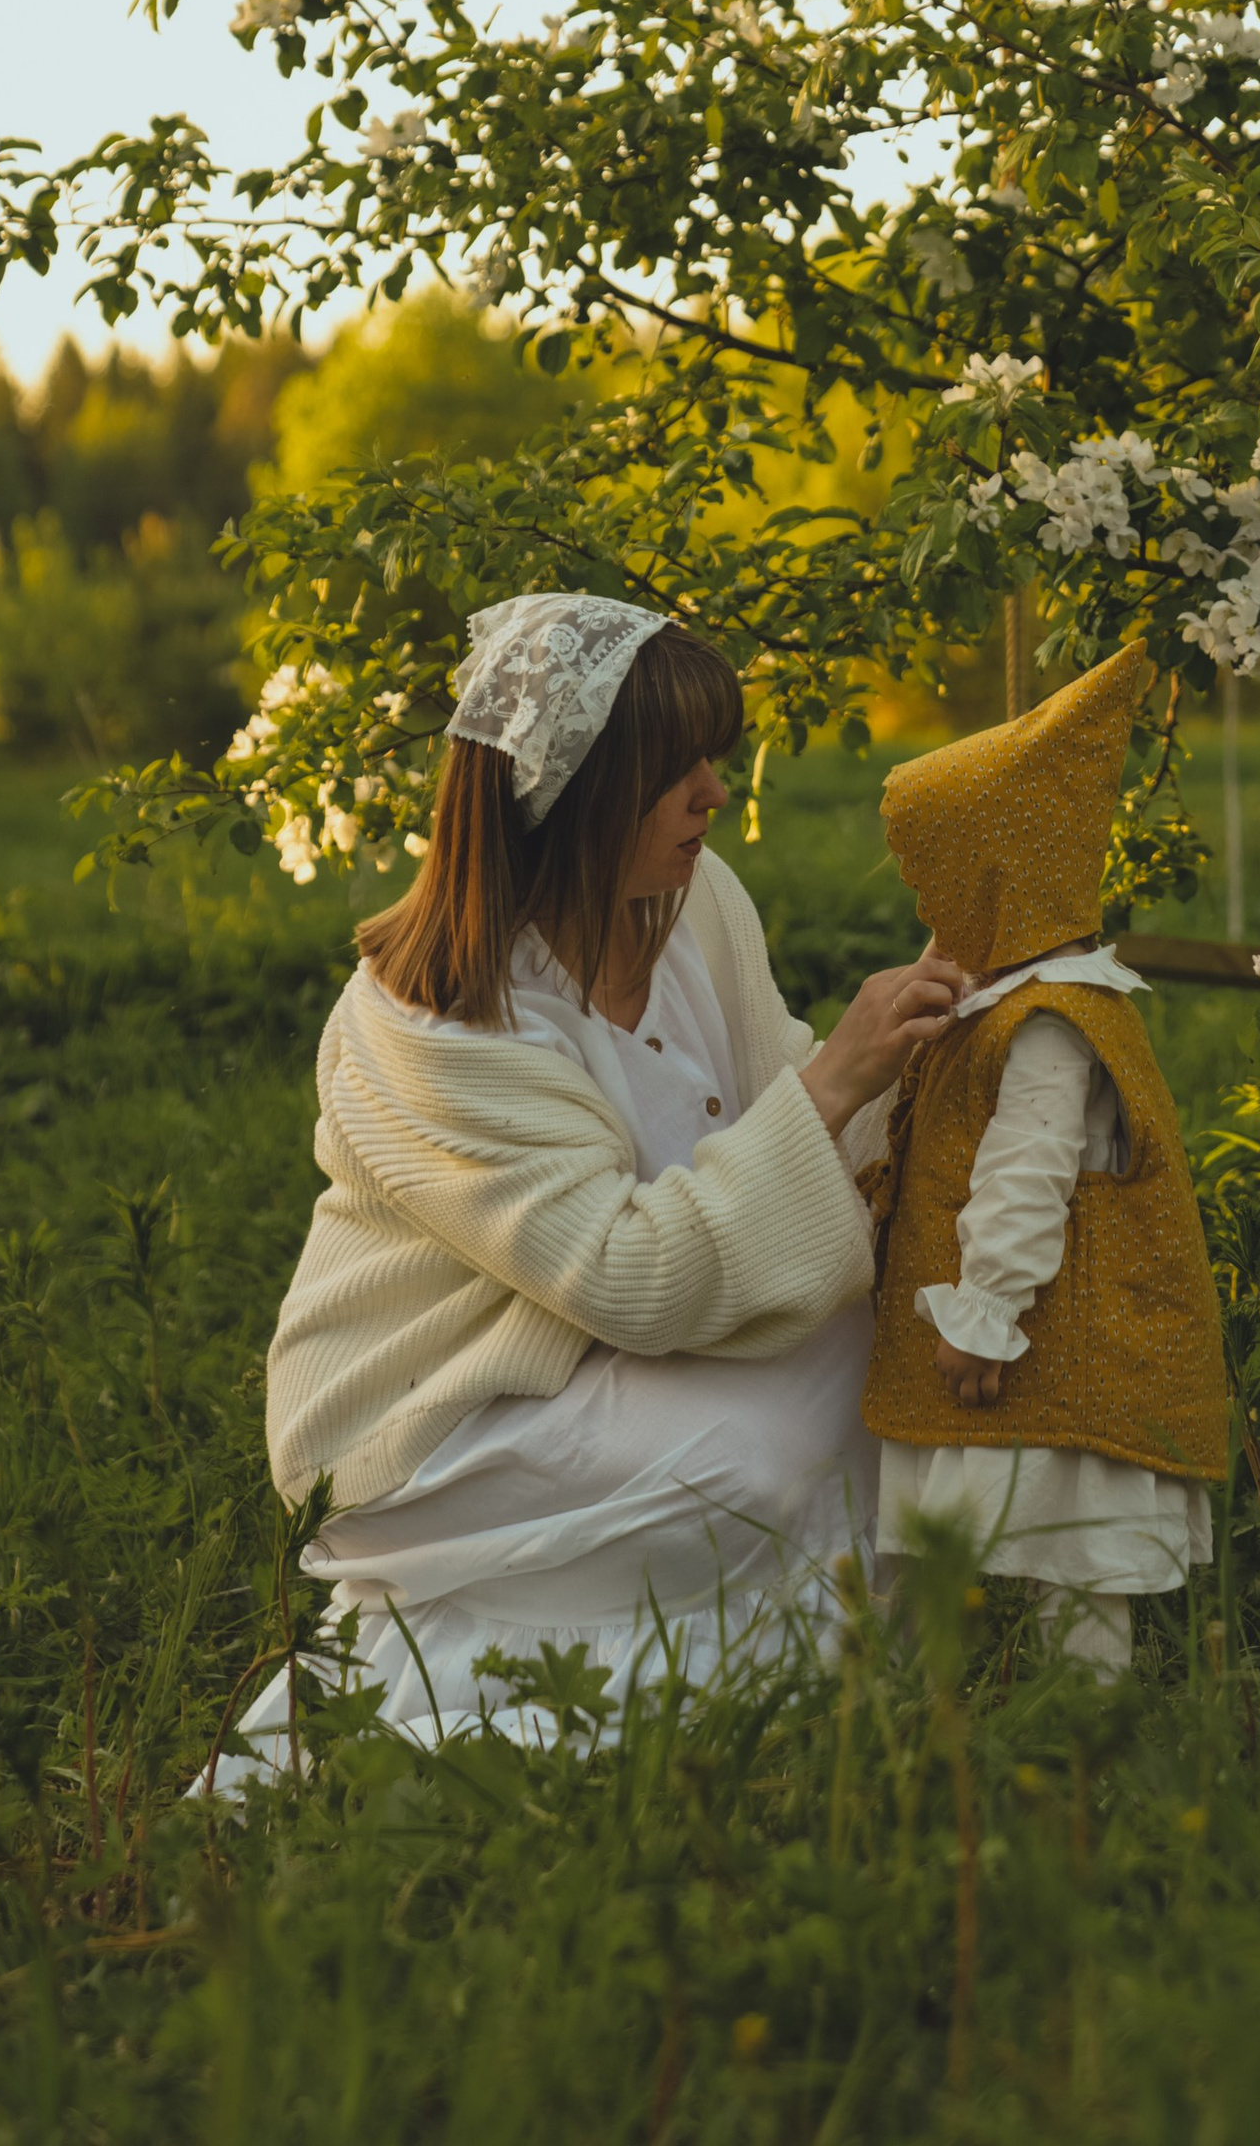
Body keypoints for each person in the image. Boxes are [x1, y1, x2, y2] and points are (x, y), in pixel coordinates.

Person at [221, 592, 965, 1768]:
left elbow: (789, 1109)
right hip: (453, 1416)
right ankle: (637, 1692)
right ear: (565, 797)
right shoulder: (431, 1027)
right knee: (763, 1460)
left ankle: (863, 1673)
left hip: (620, 1351)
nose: (713, 794)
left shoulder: (690, 903)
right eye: (676, 772)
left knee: (894, 1350)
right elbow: (632, 1275)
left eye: (710, 760)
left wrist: (938, 1076)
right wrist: (836, 1082)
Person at [860, 641, 1230, 1672]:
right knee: (961, 1537)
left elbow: (1026, 1172)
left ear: (999, 881)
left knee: (1072, 1555)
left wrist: (986, 1312)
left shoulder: (1050, 1025)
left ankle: (1078, 1721)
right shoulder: (1014, 1007)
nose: (933, 910)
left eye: (945, 884)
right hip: (1011, 1351)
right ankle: (924, 1706)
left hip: (1034, 1350)